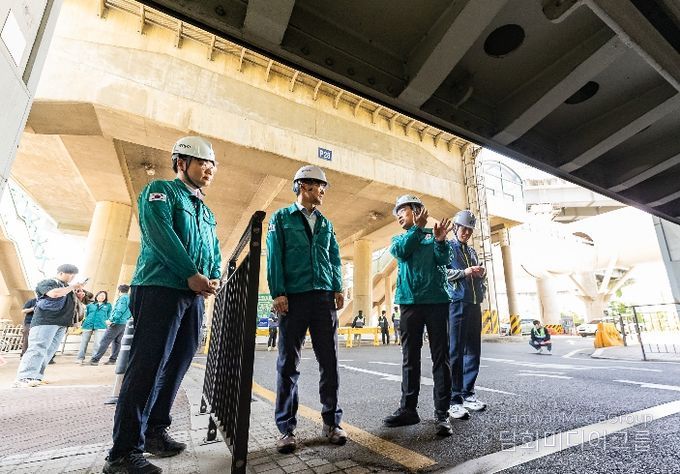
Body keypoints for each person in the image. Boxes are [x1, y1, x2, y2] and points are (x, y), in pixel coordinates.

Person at [104, 136, 221, 474]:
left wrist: (212, 276)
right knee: (148, 365)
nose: (209, 170)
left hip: (191, 293)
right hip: (159, 286)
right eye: (203, 163)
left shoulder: (206, 210)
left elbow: (213, 248)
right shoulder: (161, 191)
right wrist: (190, 273)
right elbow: (159, 234)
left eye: (212, 166)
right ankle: (123, 453)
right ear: (181, 163)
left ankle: (155, 431)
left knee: (179, 361)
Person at [266, 164, 346, 454]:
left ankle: (332, 423)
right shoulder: (281, 218)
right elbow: (274, 256)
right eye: (319, 186)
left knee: (330, 362)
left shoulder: (326, 223)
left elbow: (334, 257)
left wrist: (337, 286)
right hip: (294, 298)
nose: (323, 191)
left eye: (323, 187)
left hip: (323, 298)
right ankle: (286, 429)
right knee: (288, 363)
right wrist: (278, 292)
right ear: (303, 186)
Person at [382, 195, 454, 437]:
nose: (398, 216)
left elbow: (445, 260)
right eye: (397, 213)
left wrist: (441, 242)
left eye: (402, 211)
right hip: (409, 302)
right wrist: (417, 229)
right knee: (409, 357)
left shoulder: (434, 236)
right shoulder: (399, 238)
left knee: (441, 358)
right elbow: (401, 252)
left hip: (437, 301)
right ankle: (408, 410)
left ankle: (442, 414)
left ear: (416, 211)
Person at [13, 264, 82, 388]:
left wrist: (78, 295)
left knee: (49, 351)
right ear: (61, 273)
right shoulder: (48, 282)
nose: (72, 277)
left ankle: (36, 376)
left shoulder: (67, 287)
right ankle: (23, 377)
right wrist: (72, 287)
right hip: (45, 321)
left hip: (62, 323)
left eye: (74, 275)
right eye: (70, 274)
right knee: (37, 348)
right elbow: (54, 294)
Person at [447, 210, 487, 421]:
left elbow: (478, 277)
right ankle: (454, 401)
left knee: (473, 350)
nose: (467, 232)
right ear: (455, 227)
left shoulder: (472, 252)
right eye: (464, 228)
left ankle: (468, 394)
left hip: (474, 303)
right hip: (456, 303)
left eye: (470, 230)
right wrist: (465, 272)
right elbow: (442, 273)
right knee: (455, 352)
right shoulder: (447, 248)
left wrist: (481, 276)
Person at [90, 285, 133, 365]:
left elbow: (119, 310)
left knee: (104, 341)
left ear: (119, 291)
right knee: (117, 342)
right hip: (123, 323)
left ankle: (95, 360)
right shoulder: (130, 298)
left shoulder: (123, 298)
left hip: (116, 323)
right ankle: (112, 360)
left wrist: (111, 320)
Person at [76, 290, 111, 364]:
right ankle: (80, 358)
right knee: (84, 342)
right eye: (100, 295)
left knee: (97, 343)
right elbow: (87, 315)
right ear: (96, 296)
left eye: (103, 296)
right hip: (88, 324)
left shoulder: (108, 305)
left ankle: (94, 359)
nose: (101, 297)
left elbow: (109, 315)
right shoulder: (90, 305)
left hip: (101, 325)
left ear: (105, 297)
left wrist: (105, 321)